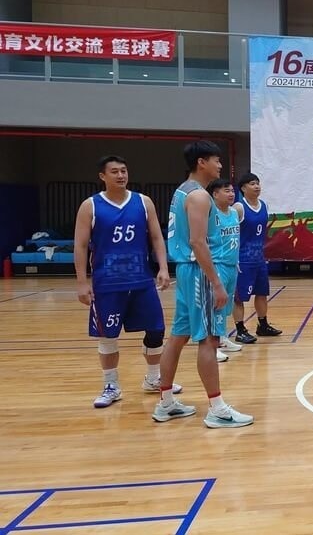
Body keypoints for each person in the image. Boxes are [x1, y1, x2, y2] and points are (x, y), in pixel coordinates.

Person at [155, 141, 253, 428]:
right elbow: (198, 242)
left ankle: (166, 402)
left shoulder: (182, 191)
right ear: (201, 162)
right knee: (209, 339)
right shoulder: (199, 196)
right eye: (216, 160)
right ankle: (217, 409)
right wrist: (217, 284)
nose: (220, 165)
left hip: (186, 271)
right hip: (199, 271)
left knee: (178, 336)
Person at [74, 155, 182, 408]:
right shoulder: (90, 206)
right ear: (102, 176)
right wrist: (81, 282)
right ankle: (111, 385)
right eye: (114, 171)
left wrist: (163, 267)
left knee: (155, 330)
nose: (121, 175)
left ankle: (153, 379)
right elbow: (80, 245)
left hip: (141, 280)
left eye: (123, 170)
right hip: (107, 283)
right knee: (107, 336)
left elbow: (156, 237)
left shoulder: (143, 202)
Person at [229, 172, 281, 346]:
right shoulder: (238, 208)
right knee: (239, 297)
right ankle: (240, 330)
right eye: (252, 183)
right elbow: (230, 234)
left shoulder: (264, 205)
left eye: (258, 183)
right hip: (242, 260)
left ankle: (263, 325)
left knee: (262, 293)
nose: (257, 186)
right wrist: (233, 258)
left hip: (259, 258)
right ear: (243, 188)